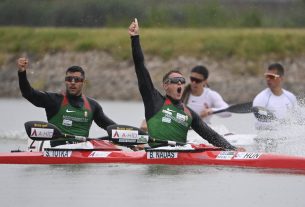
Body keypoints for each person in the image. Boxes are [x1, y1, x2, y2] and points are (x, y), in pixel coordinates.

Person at [128, 18, 237, 150]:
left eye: (182, 81)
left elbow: (211, 136)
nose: (180, 83)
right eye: (175, 81)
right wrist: (135, 39)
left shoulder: (189, 113)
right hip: (156, 158)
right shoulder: (153, 100)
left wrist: (233, 150)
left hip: (181, 165)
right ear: (165, 85)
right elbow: (140, 67)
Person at [17, 57, 116, 148]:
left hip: (82, 149)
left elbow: (112, 128)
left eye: (77, 80)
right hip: (56, 148)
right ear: (65, 81)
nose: (72, 82)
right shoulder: (54, 100)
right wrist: (22, 72)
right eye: (69, 79)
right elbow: (28, 93)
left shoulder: (93, 106)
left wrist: (128, 141)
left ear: (83, 82)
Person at [253, 63, 297, 130]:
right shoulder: (260, 98)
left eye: (271, 76)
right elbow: (258, 124)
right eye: (267, 76)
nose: (268, 79)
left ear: (281, 78)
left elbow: (296, 118)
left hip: (288, 137)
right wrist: (277, 124)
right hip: (268, 138)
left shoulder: (290, 97)